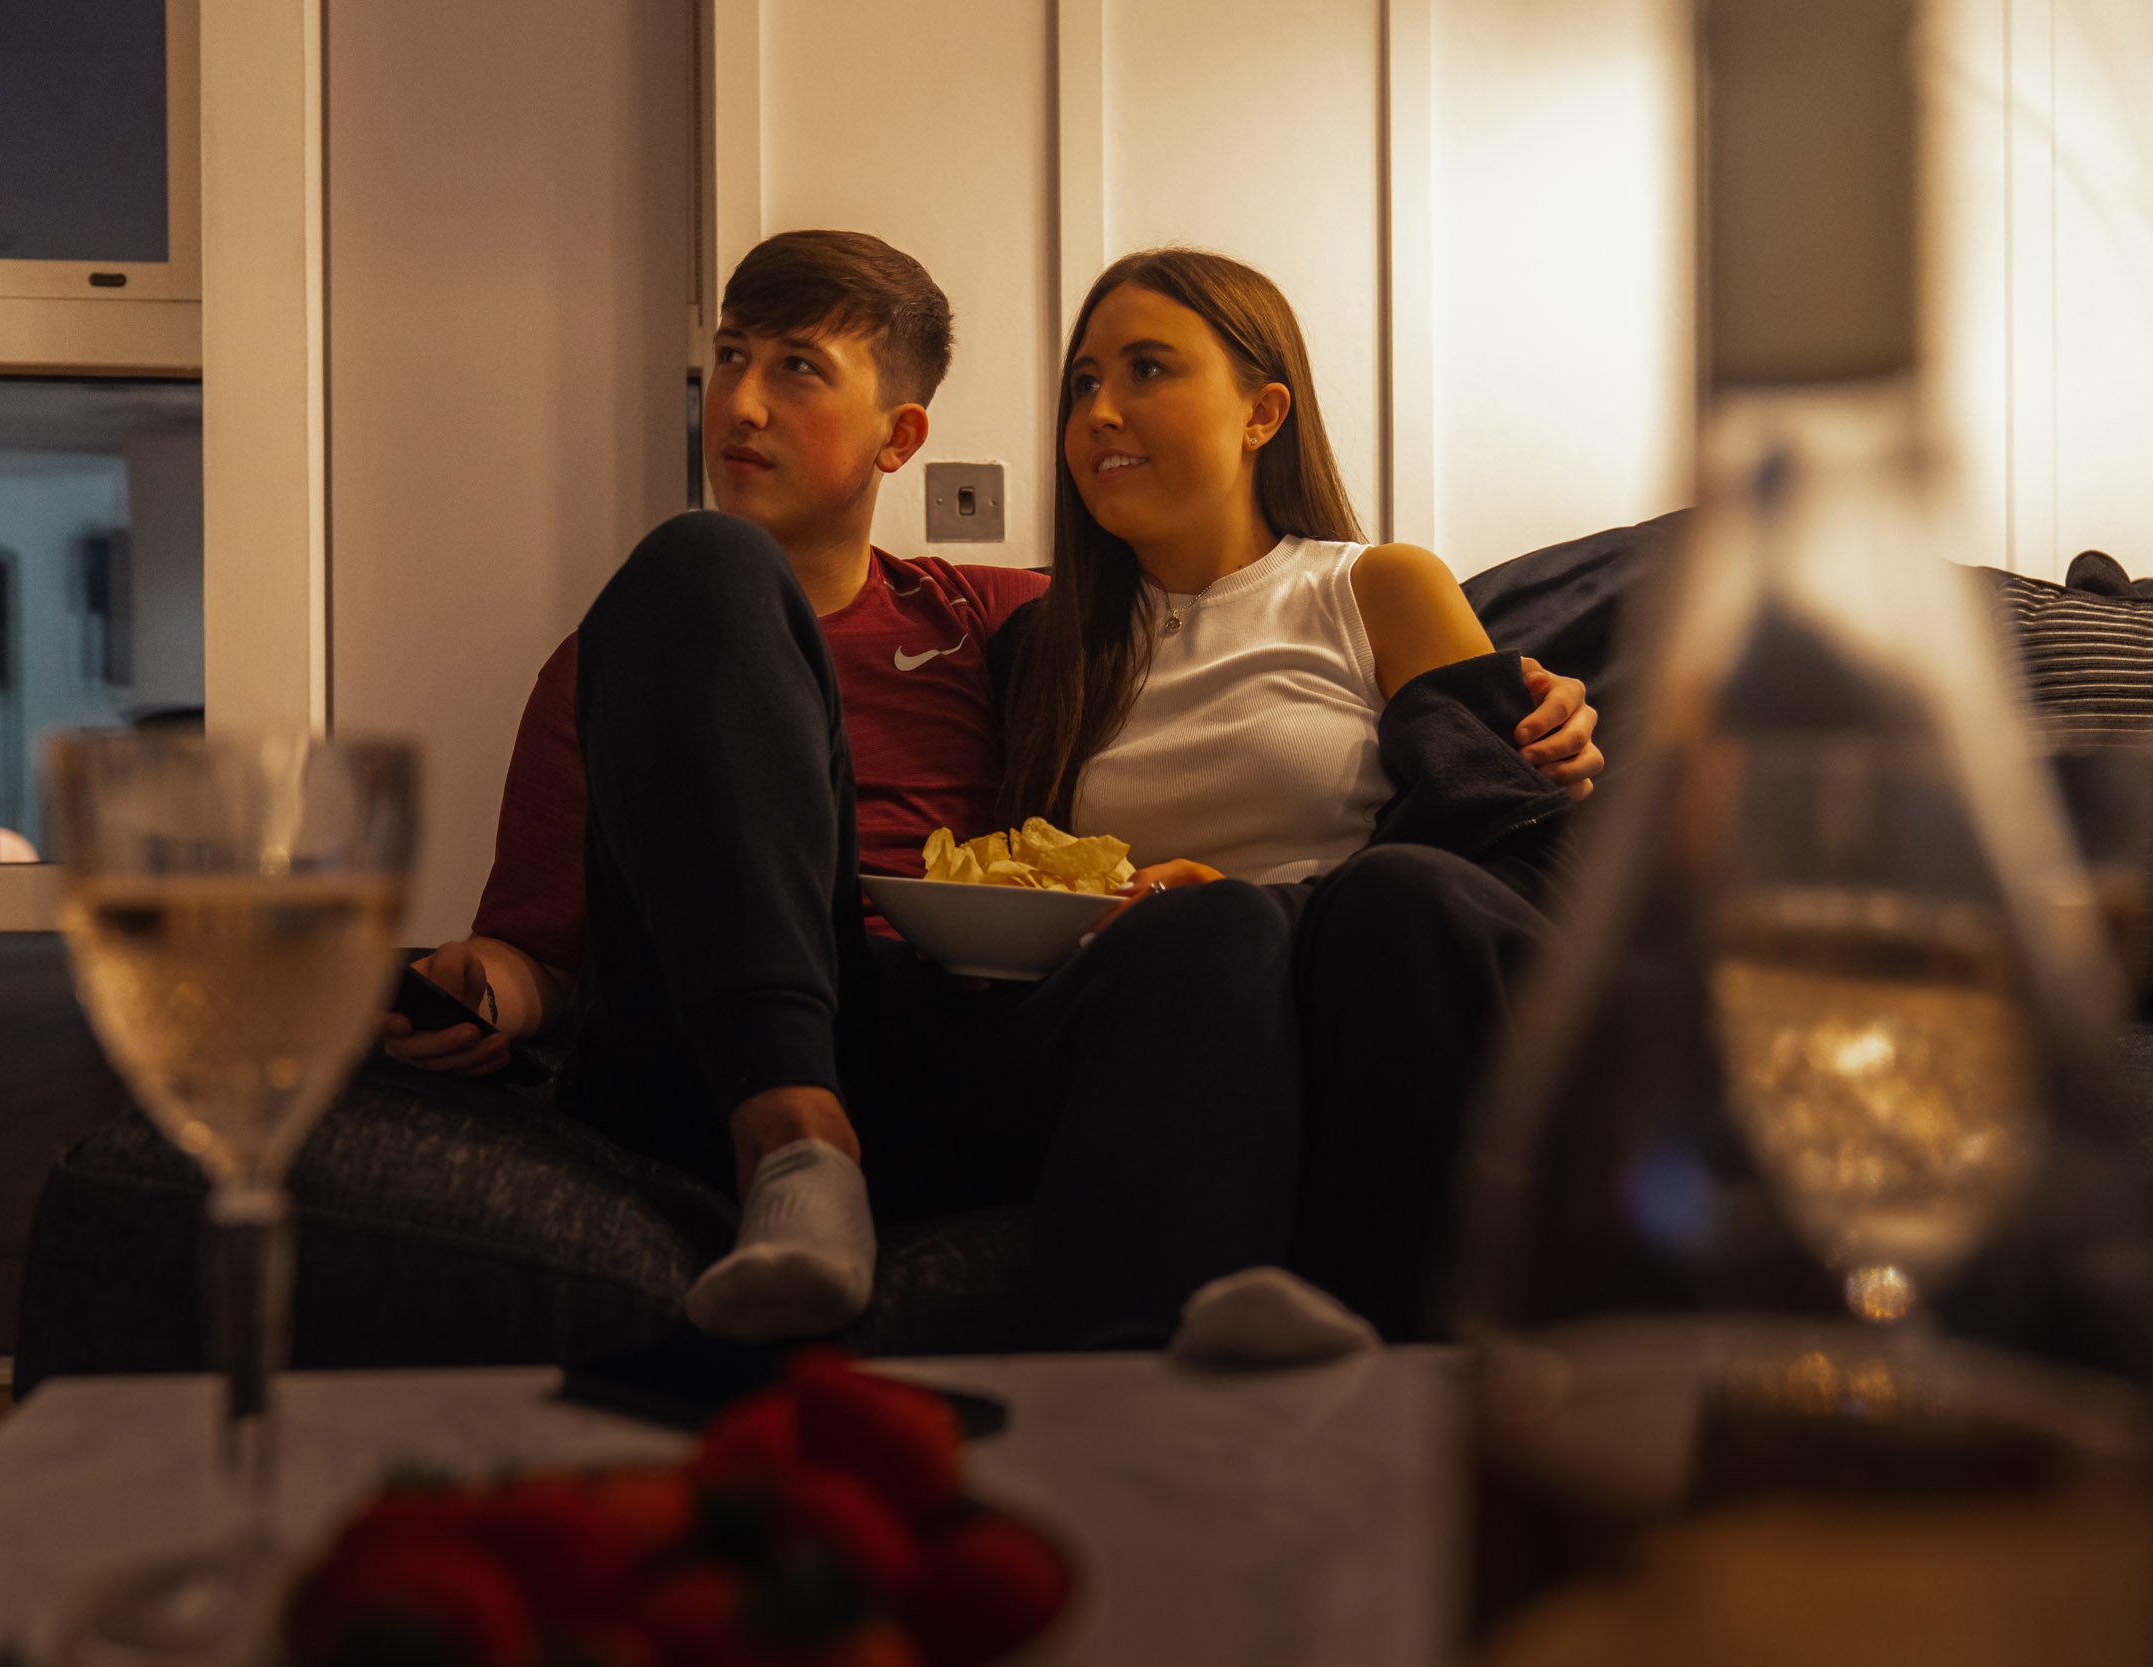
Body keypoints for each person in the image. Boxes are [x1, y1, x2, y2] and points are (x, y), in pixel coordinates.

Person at [389, 231, 1596, 1348]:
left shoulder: (1005, 631)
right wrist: (469, 988)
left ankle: (1171, 1394)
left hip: (948, 1037)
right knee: (703, 558)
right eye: (730, 361)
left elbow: (1474, 800)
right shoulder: (639, 644)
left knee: (1209, 919)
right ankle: (793, 1146)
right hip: (712, 1037)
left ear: (898, 438)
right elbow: (536, 957)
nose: (740, 404)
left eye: (798, 368)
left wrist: (1531, 702)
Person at [997, 247, 1600, 1337]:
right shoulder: (1043, 644)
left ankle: (1413, 1366)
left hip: (1369, 998)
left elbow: (1515, 851)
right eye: (1083, 383)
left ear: (1261, 412)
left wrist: (1263, 899)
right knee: (1206, 935)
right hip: (1156, 1028)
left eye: (1145, 370)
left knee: (1394, 899)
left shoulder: (1372, 587)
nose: (1099, 411)